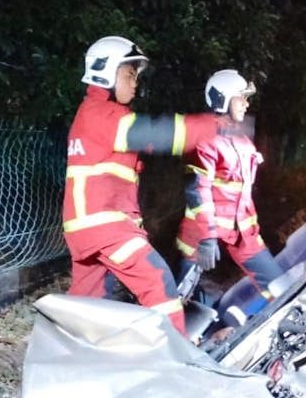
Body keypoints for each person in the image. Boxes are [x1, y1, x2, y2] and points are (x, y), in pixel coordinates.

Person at [62, 36, 217, 336]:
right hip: (105, 227)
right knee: (157, 281)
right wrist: (215, 127)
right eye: (129, 75)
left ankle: (70, 358)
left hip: (87, 227)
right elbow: (159, 134)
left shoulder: (91, 114)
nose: (135, 84)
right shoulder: (104, 115)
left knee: (87, 304)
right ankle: (177, 360)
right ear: (105, 73)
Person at [175, 69, 283, 327]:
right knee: (176, 300)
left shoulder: (244, 142)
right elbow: (197, 190)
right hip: (201, 236)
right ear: (222, 100)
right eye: (241, 98)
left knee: (280, 286)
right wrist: (208, 237)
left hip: (243, 234)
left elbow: (243, 196)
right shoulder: (203, 139)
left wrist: (254, 233)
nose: (246, 104)